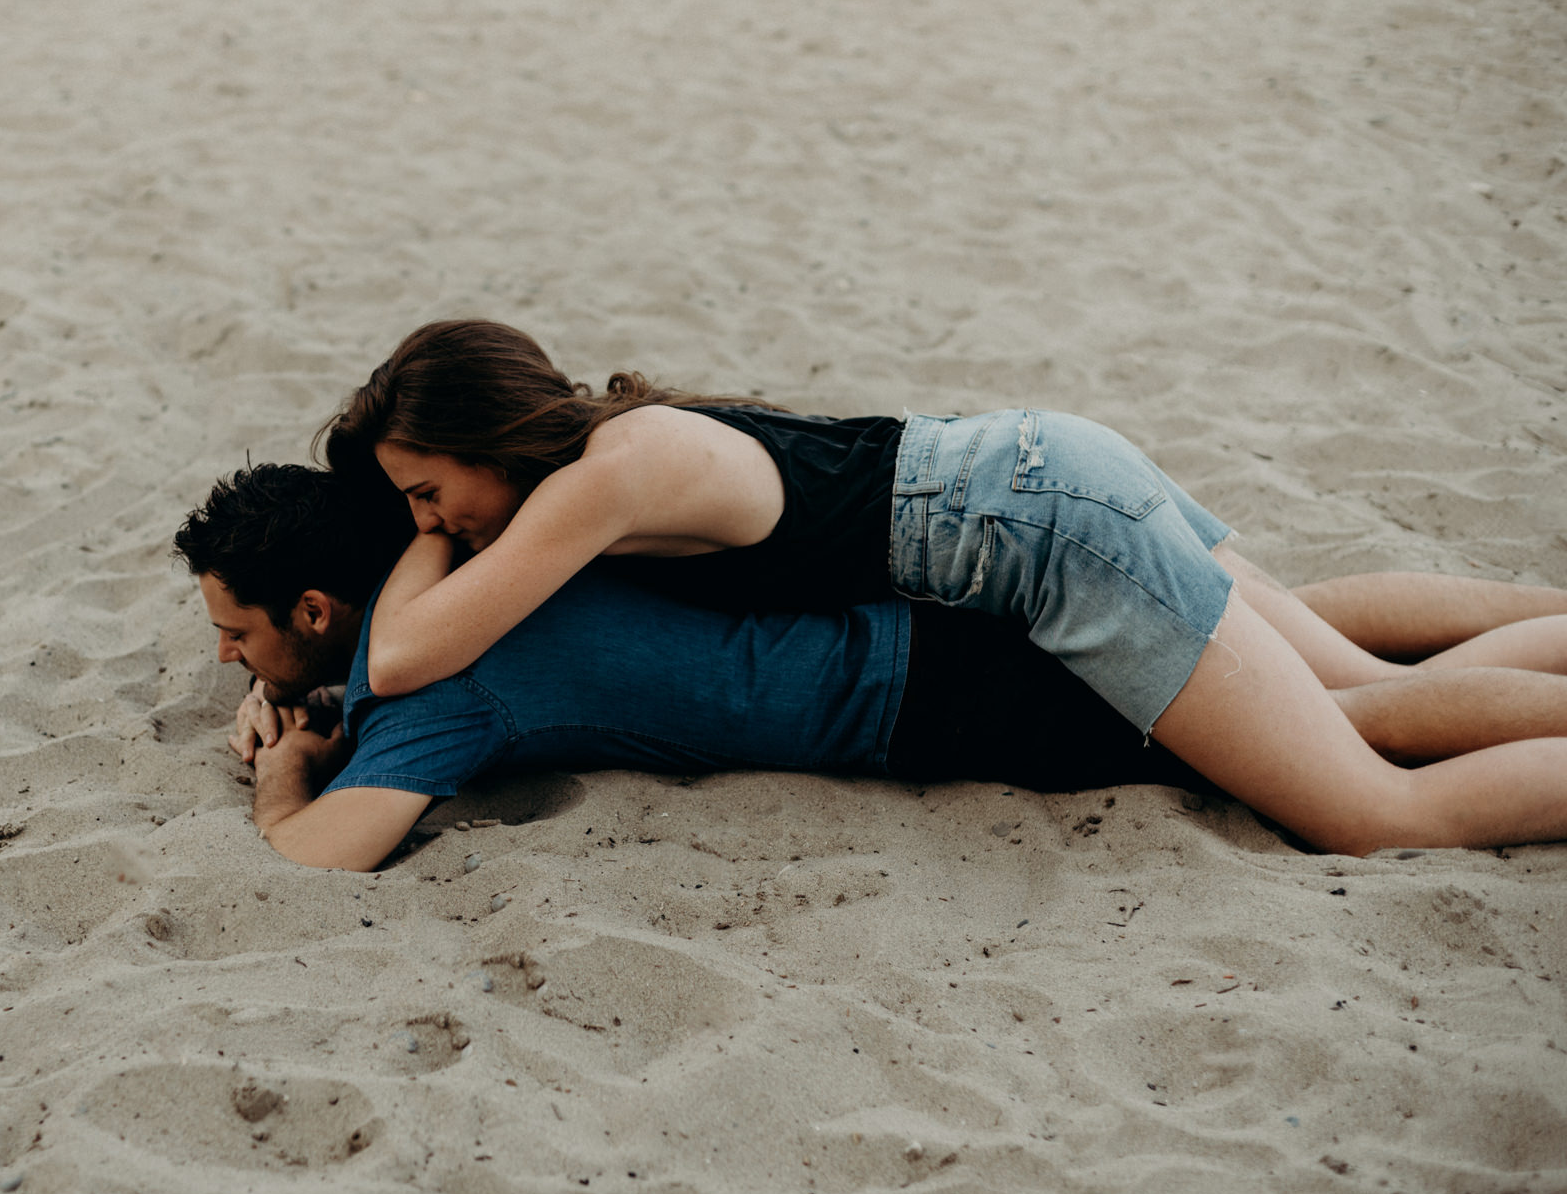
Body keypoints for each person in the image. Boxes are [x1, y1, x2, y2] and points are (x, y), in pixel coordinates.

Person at [319, 320, 1567, 858]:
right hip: (1044, 469)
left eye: (428, 492)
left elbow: (402, 660)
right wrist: (432, 515)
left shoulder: (601, 483)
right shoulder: (622, 445)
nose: (431, 523)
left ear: (491, 440)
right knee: (1356, 671)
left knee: (1372, 804)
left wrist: (418, 551)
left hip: (1039, 533)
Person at [175, 465, 1567, 871]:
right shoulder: (495, 542)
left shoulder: (432, 691)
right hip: (961, 568)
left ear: (314, 603)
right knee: (1294, 622)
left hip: (935, 688)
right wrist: (306, 688)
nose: (225, 658)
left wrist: (294, 775)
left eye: (237, 632)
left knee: (1350, 722)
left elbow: (327, 852)